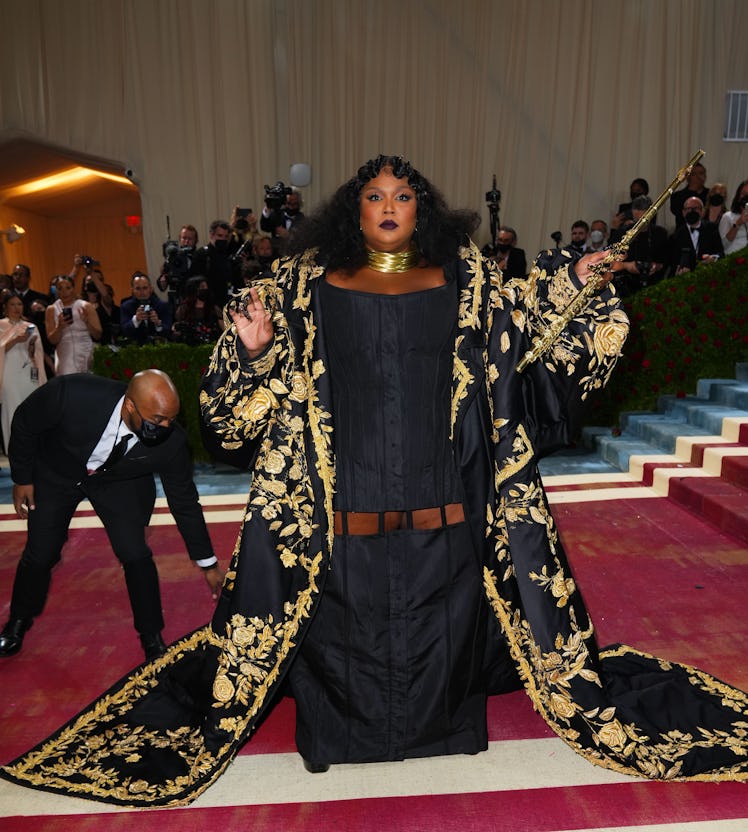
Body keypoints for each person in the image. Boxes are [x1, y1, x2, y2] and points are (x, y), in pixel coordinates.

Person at [2, 156, 747, 809]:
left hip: (447, 529)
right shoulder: (296, 289)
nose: (389, 207)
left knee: (448, 664)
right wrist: (257, 353)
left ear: (423, 208)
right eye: (374, 197)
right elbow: (230, 420)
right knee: (339, 671)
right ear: (350, 210)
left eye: (403, 196)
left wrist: (574, 282)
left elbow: (531, 343)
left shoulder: (470, 280)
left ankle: (448, 729)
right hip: (339, 537)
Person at [0, 369, 224, 662]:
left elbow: (184, 503)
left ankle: (151, 637)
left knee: (135, 554)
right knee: (41, 553)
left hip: (118, 481)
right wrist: (23, 479)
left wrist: (207, 563)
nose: (166, 426)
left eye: (171, 419)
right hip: (58, 471)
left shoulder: (171, 443)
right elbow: (25, 421)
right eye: (157, 420)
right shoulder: (72, 394)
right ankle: (18, 621)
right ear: (130, 405)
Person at [0, 295, 46, 450]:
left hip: (28, 373)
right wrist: (15, 340)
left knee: (30, 409)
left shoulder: (30, 326)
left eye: (19, 304)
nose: (16, 307)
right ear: (5, 307)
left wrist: (32, 346)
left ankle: (32, 447)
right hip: (8, 374)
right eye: (12, 304)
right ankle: (12, 448)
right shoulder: (1, 325)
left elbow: (38, 353)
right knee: (11, 409)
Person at [45, 275, 102, 374]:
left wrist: (87, 322)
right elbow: (52, 340)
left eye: (68, 288)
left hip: (86, 351)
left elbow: (98, 335)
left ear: (73, 288)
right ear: (56, 291)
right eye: (60, 289)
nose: (64, 292)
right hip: (64, 355)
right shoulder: (51, 309)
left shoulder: (85, 306)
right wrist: (60, 327)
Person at [667, 196, 724, 274]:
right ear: (683, 213)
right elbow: (673, 262)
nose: (691, 211)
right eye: (688, 209)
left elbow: (720, 253)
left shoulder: (711, 228)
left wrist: (713, 258)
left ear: (702, 211)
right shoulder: (676, 235)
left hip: (708, 274)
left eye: (695, 208)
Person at [190, 220, 241, 305]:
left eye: (226, 237)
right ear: (211, 235)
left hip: (228, 302)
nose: (223, 239)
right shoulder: (201, 254)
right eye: (220, 236)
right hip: (208, 304)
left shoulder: (230, 256)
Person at [119, 272, 172, 344]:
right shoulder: (126, 306)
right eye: (138, 288)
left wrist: (158, 323)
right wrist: (136, 320)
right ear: (132, 290)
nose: (142, 292)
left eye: (145, 288)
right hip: (135, 348)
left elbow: (168, 331)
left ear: (150, 288)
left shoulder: (162, 305)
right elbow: (124, 331)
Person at [171, 275, 224, 344]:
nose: (205, 289)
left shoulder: (213, 308)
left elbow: (224, 327)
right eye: (202, 287)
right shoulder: (184, 308)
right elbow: (176, 325)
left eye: (206, 286)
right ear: (194, 289)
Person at [669, 161, 708, 227]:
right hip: (683, 234)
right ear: (688, 177)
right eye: (694, 174)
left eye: (701, 173)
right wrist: (692, 190)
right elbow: (676, 211)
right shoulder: (677, 196)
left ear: (705, 176)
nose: (698, 177)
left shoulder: (710, 194)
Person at [718, 179, 748, 255]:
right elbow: (722, 245)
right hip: (733, 262)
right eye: (743, 194)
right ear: (738, 196)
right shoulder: (728, 217)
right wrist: (738, 223)